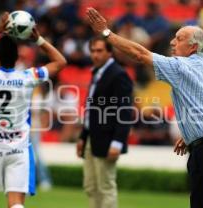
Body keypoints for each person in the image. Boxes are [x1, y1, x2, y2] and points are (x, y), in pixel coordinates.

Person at [85, 8, 203, 208]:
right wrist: (193, 133)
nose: (173, 42)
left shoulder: (181, 66)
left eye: (179, 38)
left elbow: (139, 54)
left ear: (193, 47)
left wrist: (106, 33)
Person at [0, 12, 66, 208]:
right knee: (15, 204)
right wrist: (38, 39)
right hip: (18, 149)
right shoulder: (28, 77)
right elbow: (60, 62)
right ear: (17, 57)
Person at [76, 36, 133, 208]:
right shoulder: (98, 72)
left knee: (105, 186)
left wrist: (117, 142)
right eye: (92, 51)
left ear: (110, 52)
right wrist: (83, 136)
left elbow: (124, 111)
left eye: (99, 51)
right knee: (91, 186)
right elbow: (91, 110)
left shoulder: (118, 75)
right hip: (92, 136)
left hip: (108, 138)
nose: (95, 55)